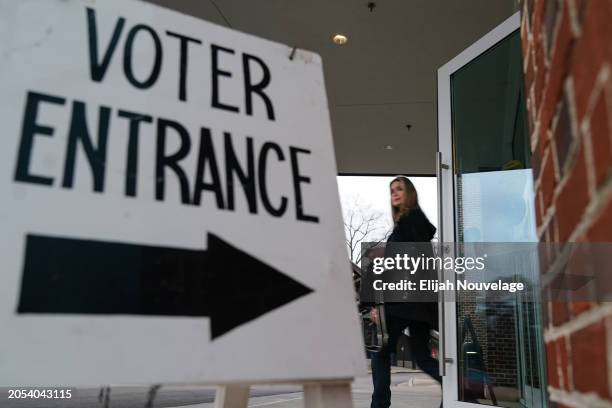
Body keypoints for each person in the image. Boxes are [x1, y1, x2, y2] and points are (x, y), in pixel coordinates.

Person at [369, 176, 441, 408]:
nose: (395, 194)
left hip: (402, 303)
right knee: (421, 357)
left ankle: (379, 405)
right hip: (419, 304)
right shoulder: (415, 224)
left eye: (400, 189)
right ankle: (459, 389)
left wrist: (376, 302)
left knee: (380, 353)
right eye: (392, 191)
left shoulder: (409, 222)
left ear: (409, 193)